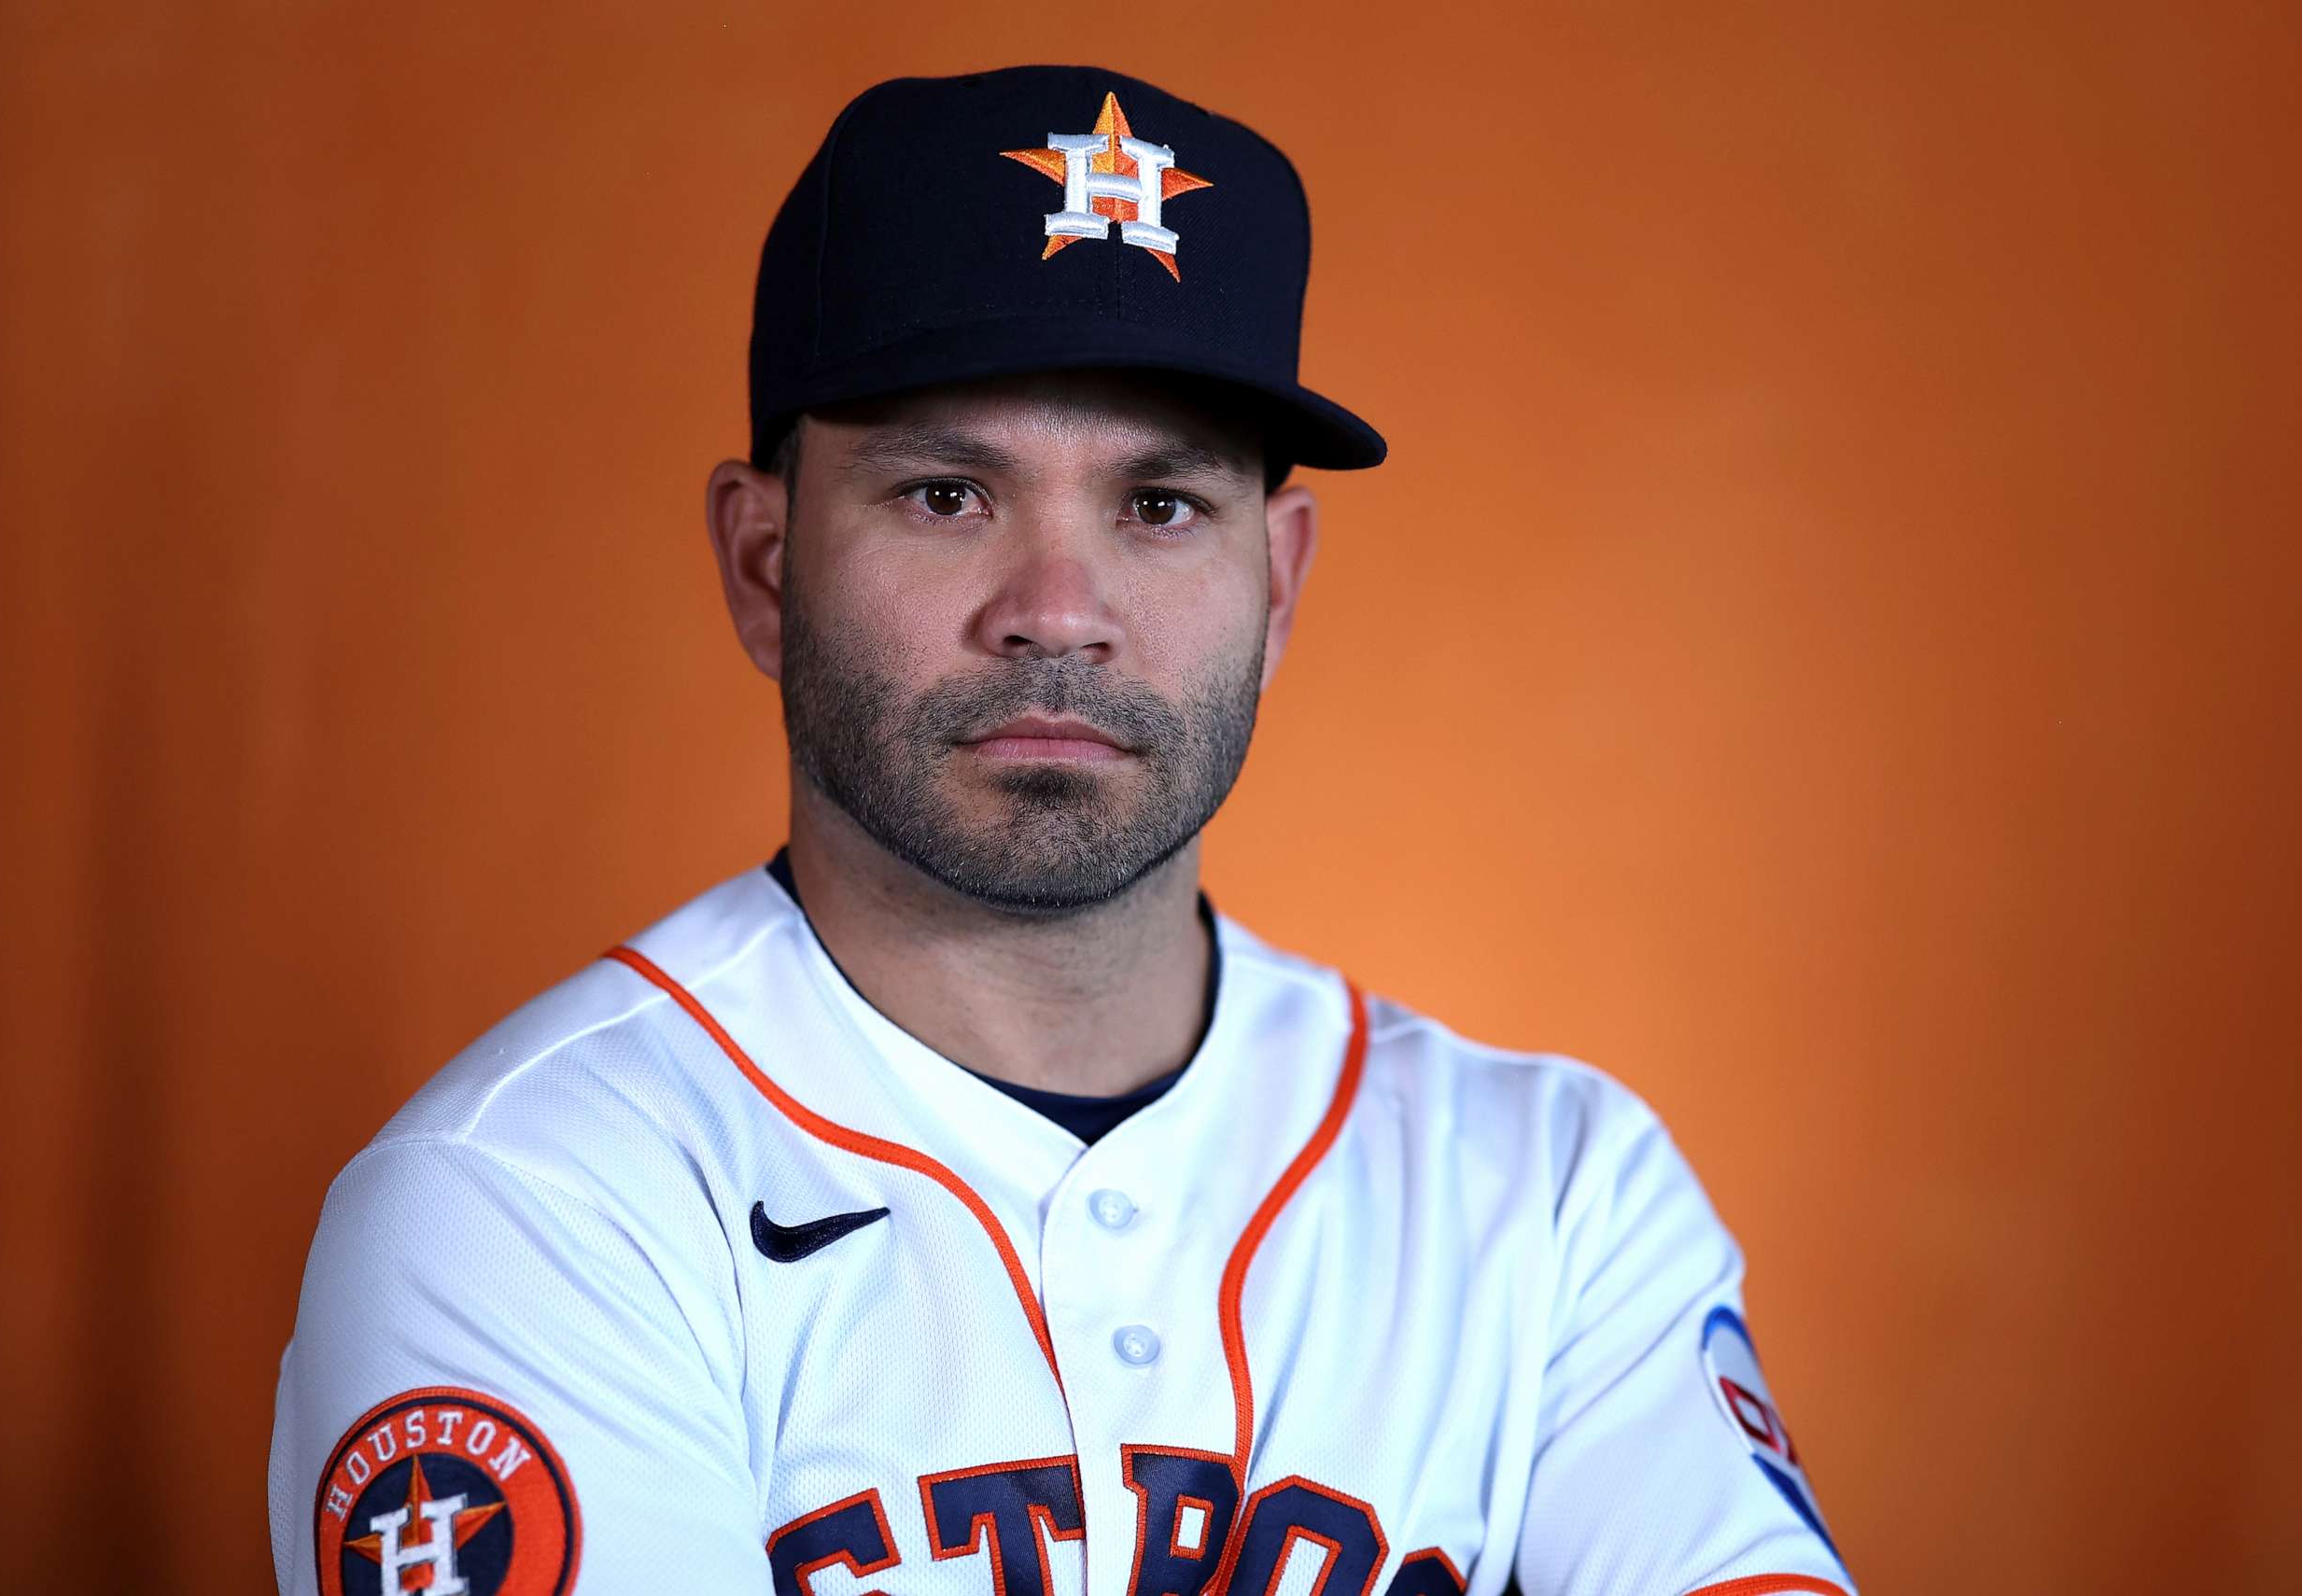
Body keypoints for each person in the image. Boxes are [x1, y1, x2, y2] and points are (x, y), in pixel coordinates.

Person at [267, 63, 1854, 1596]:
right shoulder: (531, 1201)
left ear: (1278, 581)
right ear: (765, 564)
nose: (1059, 615)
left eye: (1159, 506)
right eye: (948, 493)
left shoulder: (1557, 1197)